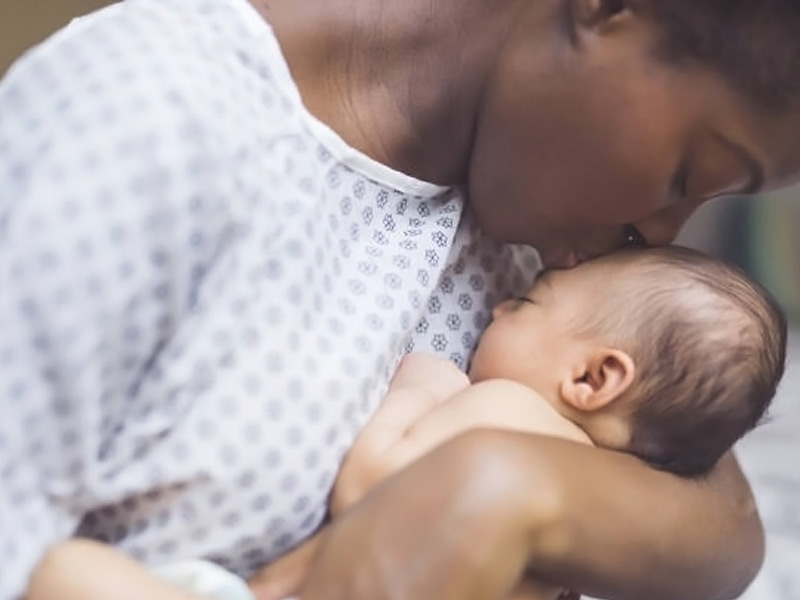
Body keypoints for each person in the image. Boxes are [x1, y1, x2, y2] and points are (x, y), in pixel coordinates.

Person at [2, 0, 800, 598]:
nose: (660, 234)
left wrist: (509, 488)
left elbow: (723, 522)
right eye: (685, 178)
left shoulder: (543, 224)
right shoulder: (143, 123)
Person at [24, 246, 788, 600]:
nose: (496, 304)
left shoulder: (514, 413)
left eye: (528, 302)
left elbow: (369, 488)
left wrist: (423, 382)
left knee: (59, 571)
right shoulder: (605, 497)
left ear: (591, 379)